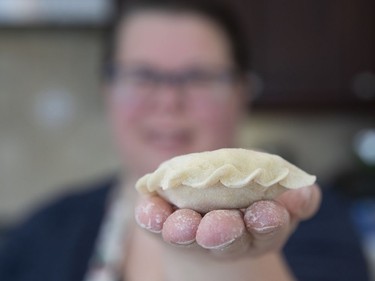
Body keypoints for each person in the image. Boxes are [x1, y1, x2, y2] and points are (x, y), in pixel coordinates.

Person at [0, 0, 370, 280]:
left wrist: (242, 266)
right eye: (143, 75)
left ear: (241, 93)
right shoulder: (42, 233)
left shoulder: (313, 220)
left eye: (199, 77)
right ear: (107, 90)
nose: (169, 101)